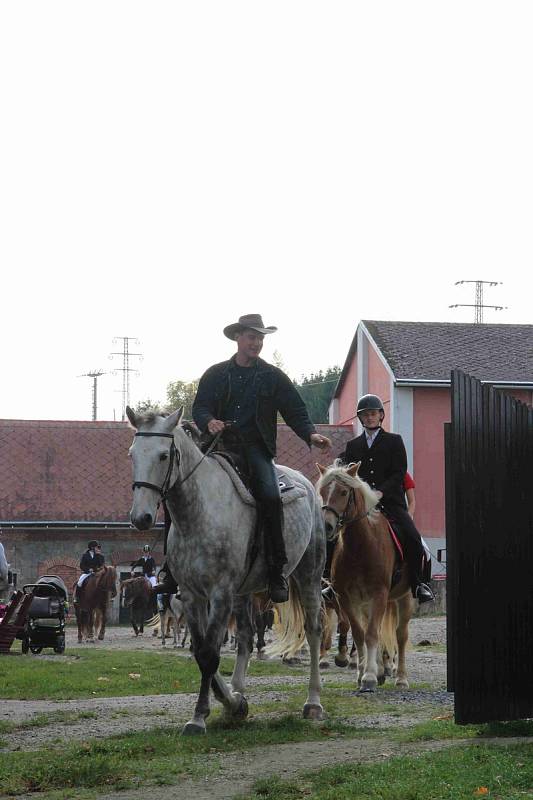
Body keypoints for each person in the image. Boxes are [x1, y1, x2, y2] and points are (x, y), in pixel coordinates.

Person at [191, 313, 331, 603]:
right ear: (238, 338)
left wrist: (310, 434)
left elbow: (295, 409)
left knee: (269, 495)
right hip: (219, 447)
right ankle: (172, 568)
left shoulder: (272, 376)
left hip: (255, 449)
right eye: (252, 337)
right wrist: (209, 422)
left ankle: (275, 570)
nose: (257, 343)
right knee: (180, 486)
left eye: (261, 338)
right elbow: (200, 407)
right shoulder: (215, 374)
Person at [338, 394, 434, 604]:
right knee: (334, 535)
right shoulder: (353, 446)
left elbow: (399, 472)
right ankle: (330, 582)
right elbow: (346, 470)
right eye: (365, 415)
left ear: (381, 415)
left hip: (390, 503)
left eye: (373, 414)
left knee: (413, 538)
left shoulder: (394, 441)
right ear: (361, 419)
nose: (370, 418)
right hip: (361, 505)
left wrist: (380, 492)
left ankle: (419, 583)